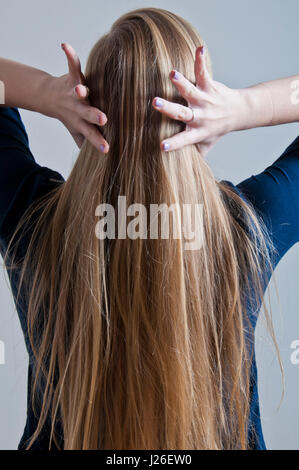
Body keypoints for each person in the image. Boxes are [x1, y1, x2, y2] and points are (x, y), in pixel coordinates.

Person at [0, 7, 298, 450]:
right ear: (198, 109)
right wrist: (242, 108)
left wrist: (48, 94)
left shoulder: (36, 221)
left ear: (89, 105)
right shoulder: (244, 228)